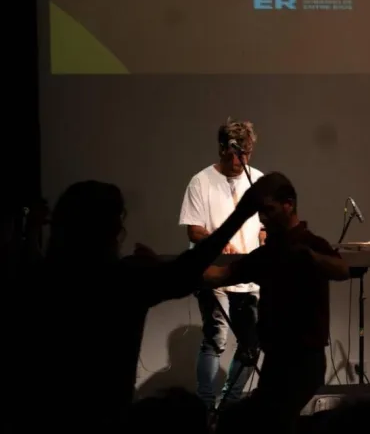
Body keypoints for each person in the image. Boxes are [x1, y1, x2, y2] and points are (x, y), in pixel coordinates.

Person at [12, 175, 281, 431]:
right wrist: (241, 213)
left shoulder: (37, 279)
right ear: (112, 230)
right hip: (105, 417)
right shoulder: (121, 281)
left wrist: (31, 229)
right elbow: (187, 269)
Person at [202, 172, 350, 432]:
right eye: (260, 212)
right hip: (276, 358)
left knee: (273, 421)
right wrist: (175, 268)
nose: (262, 218)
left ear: (288, 204)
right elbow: (221, 275)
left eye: (268, 210)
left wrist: (312, 258)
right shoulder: (268, 253)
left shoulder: (310, 244)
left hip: (304, 360)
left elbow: (342, 270)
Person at [178, 118, 266, 410]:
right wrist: (217, 241)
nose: (242, 161)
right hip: (213, 271)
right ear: (222, 149)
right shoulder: (201, 181)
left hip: (247, 272)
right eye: (235, 155)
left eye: (247, 154)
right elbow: (194, 230)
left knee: (251, 343)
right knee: (216, 337)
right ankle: (206, 406)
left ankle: (230, 403)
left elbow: (264, 226)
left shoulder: (257, 180)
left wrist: (265, 238)